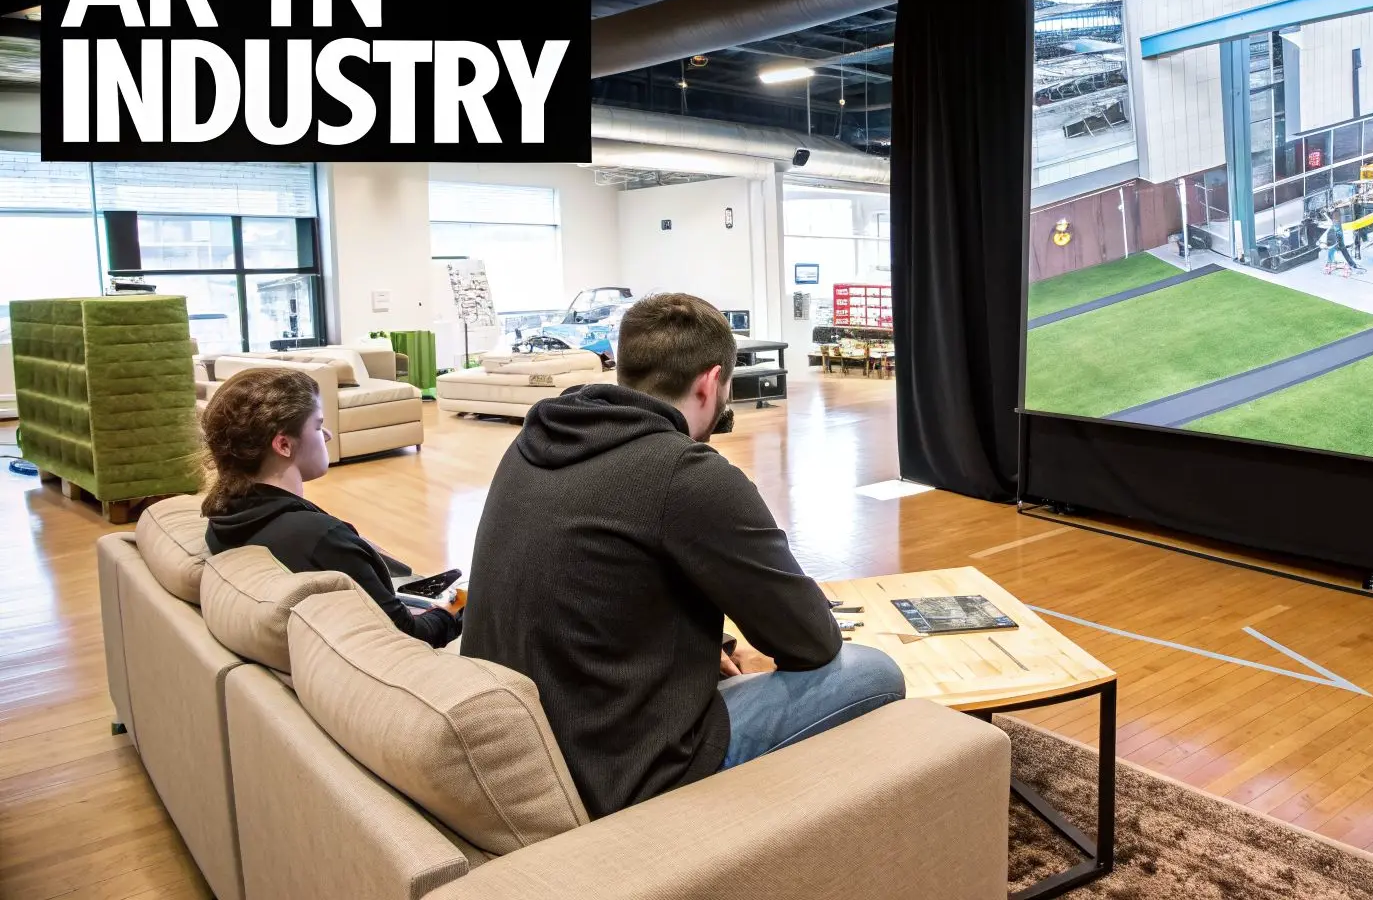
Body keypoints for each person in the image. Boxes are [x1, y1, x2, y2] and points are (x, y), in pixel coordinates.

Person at [460, 292, 905, 820]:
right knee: (873, 672)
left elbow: (605, 583)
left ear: (623, 367)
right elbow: (811, 641)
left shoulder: (536, 441)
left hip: (533, 746)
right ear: (712, 381)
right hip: (626, 774)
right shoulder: (688, 475)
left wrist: (710, 645)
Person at [199, 366, 462, 647]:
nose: (327, 435)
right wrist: (460, 604)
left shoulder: (223, 518)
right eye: (316, 425)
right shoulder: (322, 539)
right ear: (284, 444)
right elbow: (410, 636)